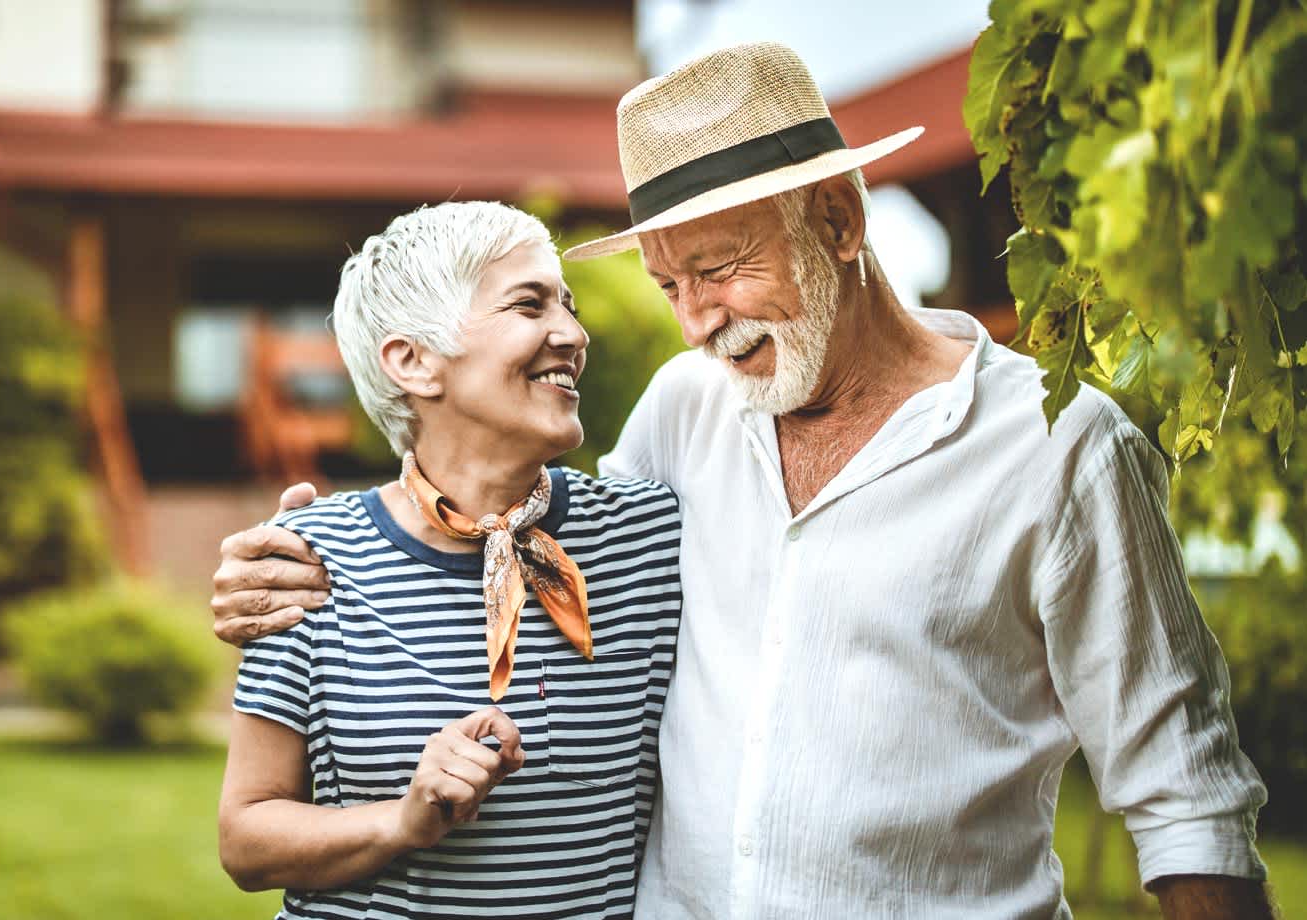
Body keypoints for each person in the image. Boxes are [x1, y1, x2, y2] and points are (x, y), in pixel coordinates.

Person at [211, 43, 1272, 919]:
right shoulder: (686, 409)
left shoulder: (1059, 445)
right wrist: (290, 563)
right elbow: (524, 538)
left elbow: (1188, 798)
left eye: (719, 268)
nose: (698, 319)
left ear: (841, 223)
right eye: (669, 283)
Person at [217, 201, 684, 920]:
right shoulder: (307, 558)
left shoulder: (649, 536)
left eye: (568, 304)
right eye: (529, 305)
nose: (573, 333)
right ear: (414, 362)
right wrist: (400, 821)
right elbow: (247, 839)